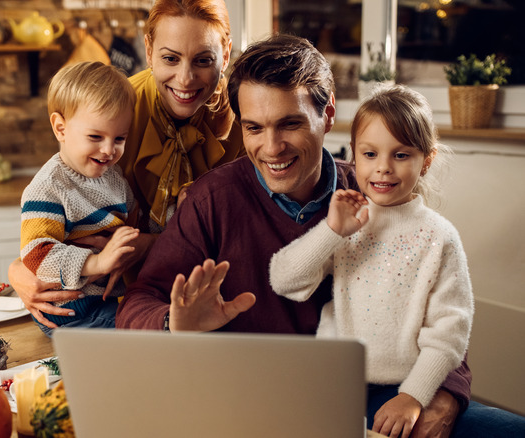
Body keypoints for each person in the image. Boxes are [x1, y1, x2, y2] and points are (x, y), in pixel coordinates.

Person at [117, 34, 525, 437]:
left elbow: (444, 317)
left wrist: (443, 398)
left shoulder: (373, 192)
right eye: (254, 128)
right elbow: (138, 303)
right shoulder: (211, 200)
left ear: (327, 115)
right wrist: (176, 323)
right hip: (256, 404)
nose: (271, 147)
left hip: (375, 399)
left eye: (290, 124)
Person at [8, 0, 245, 329]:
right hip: (119, 298)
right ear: (149, 50)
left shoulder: (248, 122)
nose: (186, 78)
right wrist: (18, 270)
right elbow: (58, 214)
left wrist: (149, 243)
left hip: (210, 293)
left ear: (226, 53)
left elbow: (246, 234)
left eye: (204, 60)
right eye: (170, 58)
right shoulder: (116, 110)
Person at [268, 85, 473, 437]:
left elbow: (449, 335)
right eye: (370, 154)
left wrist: (413, 396)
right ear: (355, 155)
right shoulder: (346, 221)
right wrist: (332, 231)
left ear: (427, 161)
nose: (383, 169)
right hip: (332, 386)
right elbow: (284, 280)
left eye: (401, 155)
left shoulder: (440, 237)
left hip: (402, 389)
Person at [19, 61, 140, 336]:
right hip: (70, 311)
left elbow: (136, 222)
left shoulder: (114, 178)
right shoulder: (48, 187)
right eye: (95, 136)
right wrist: (98, 262)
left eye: (120, 138)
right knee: (142, 335)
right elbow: (37, 254)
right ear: (60, 129)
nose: (109, 150)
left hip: (107, 300)